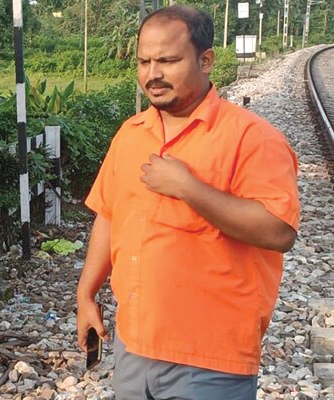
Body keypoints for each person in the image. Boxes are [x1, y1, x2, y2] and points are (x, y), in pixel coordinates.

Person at [76, 5, 299, 400]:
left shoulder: (252, 138)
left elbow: (279, 231)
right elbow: (109, 215)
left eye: (168, 60)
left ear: (206, 60)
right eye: (144, 61)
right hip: (133, 347)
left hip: (210, 359)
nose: (152, 74)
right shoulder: (131, 134)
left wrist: (189, 188)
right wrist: (86, 295)